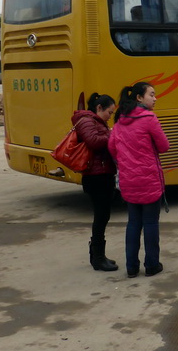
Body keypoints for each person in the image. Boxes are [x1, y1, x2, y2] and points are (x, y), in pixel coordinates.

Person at [108, 81, 170, 278]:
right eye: (151, 94)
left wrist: (126, 161)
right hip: (149, 179)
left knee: (133, 223)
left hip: (128, 181)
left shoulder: (119, 122)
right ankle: (152, 265)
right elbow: (164, 146)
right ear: (139, 98)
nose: (155, 98)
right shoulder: (149, 119)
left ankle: (132, 267)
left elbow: (111, 147)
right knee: (151, 223)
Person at [73, 93, 119, 272]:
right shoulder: (86, 120)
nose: (110, 116)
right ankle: (97, 257)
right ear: (99, 108)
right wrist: (112, 135)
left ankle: (99, 255)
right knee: (101, 216)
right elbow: (93, 141)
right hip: (95, 176)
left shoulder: (95, 121)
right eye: (109, 112)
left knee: (103, 215)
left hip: (102, 174)